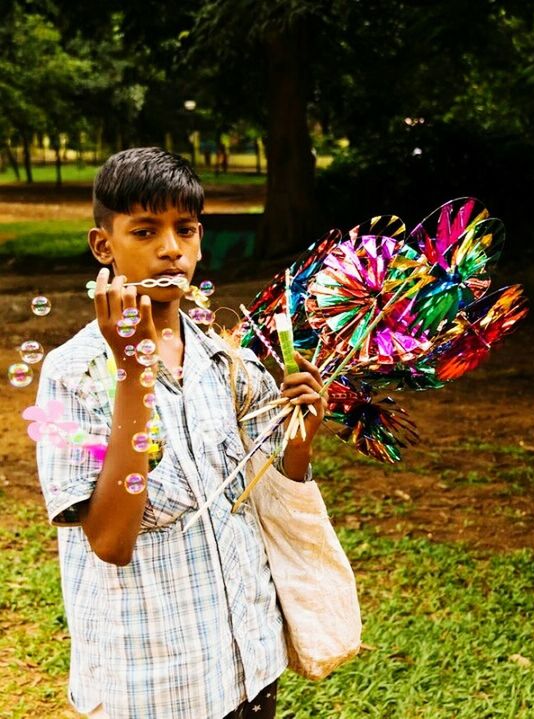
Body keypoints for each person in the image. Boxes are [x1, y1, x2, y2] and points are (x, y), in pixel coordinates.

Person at [34, 147, 326, 718]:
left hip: (248, 660)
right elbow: (111, 543)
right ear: (103, 246)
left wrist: (300, 435)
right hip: (155, 685)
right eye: (144, 231)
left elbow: (268, 492)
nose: (170, 248)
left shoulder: (226, 360)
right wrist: (134, 374)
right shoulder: (72, 375)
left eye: (185, 230)